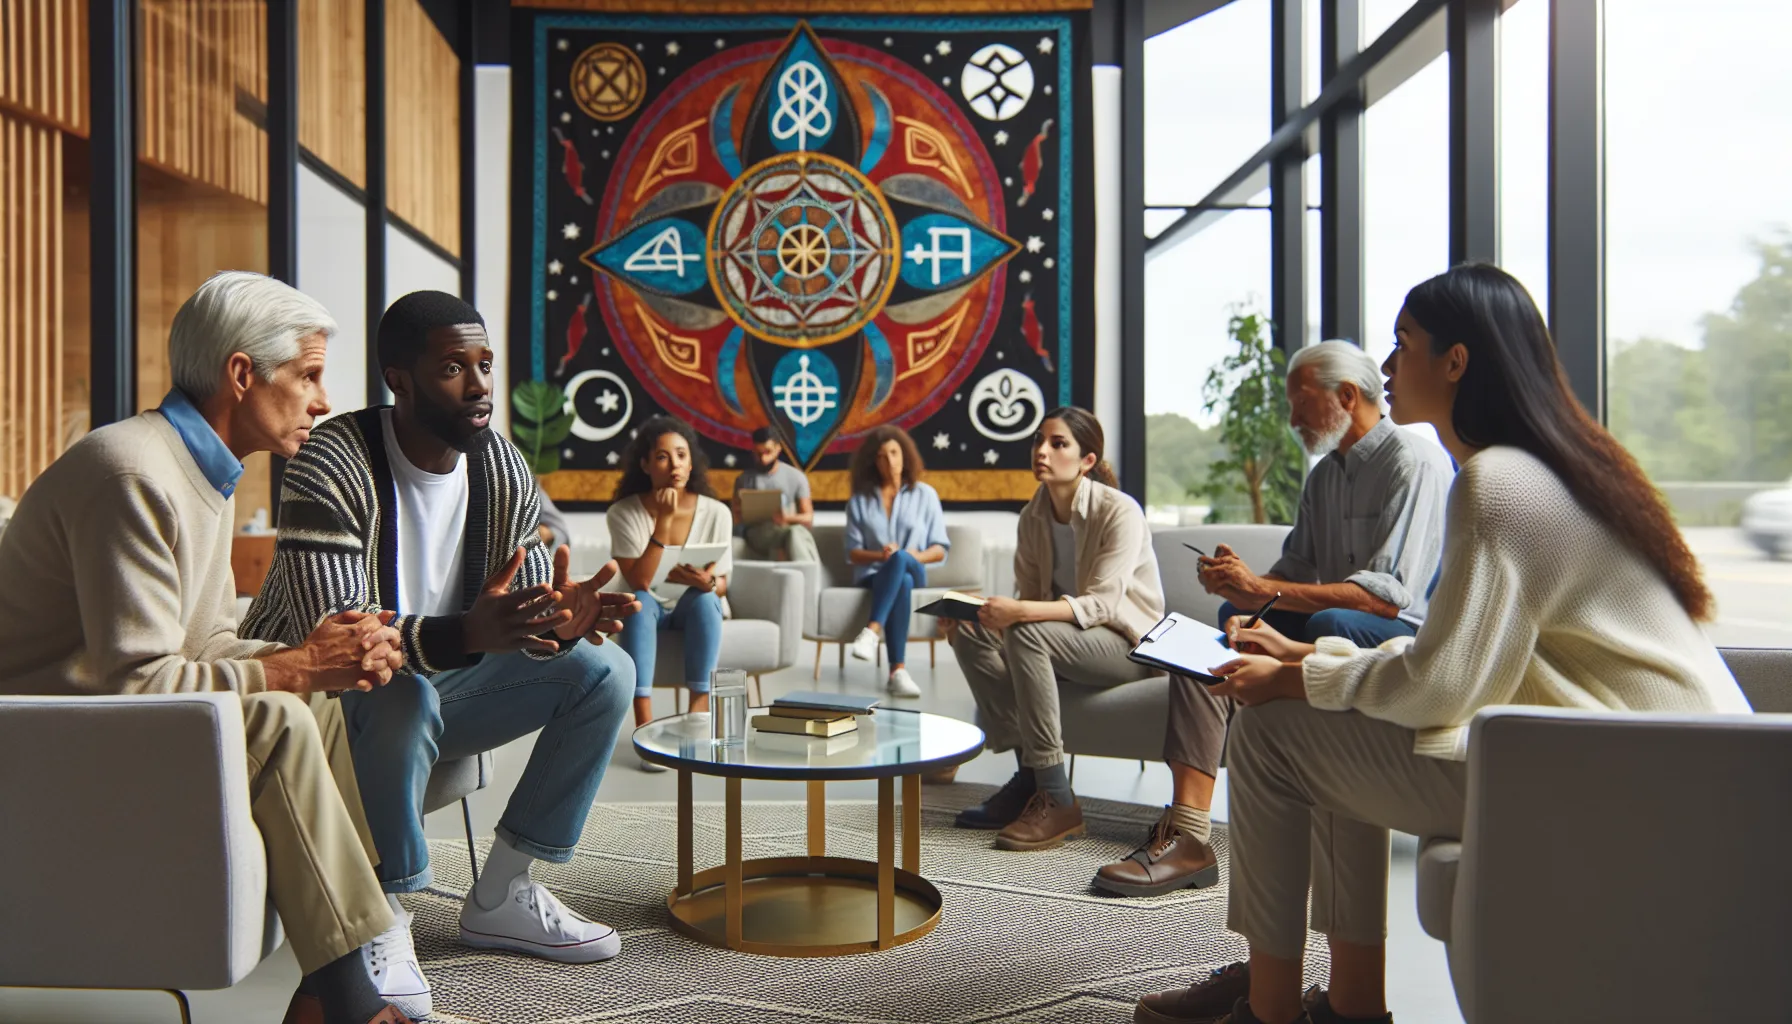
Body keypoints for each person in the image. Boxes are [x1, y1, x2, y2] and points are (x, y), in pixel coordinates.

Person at [1133, 264, 1752, 1024]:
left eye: (1403, 345)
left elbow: (1444, 685)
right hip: (1665, 771)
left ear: (1455, 362)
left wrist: (1298, 680)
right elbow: (1470, 665)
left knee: (1269, 735)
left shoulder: (1497, 484)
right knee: (1323, 717)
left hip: (1616, 783)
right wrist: (1308, 660)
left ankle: (1272, 1011)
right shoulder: (1550, 470)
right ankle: (1350, 1004)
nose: (1389, 367)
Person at [0, 271, 419, 1024]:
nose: (323, 401)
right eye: (310, 376)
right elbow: (132, 681)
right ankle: (354, 1003)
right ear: (241, 373)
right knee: (281, 716)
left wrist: (322, 654)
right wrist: (293, 667)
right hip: (39, 735)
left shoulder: (201, 474)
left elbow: (206, 640)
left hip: (88, 718)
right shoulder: (132, 472)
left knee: (313, 700)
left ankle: (330, 985)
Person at [242, 291, 639, 1019]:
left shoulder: (504, 471)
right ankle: (384, 913)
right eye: (453, 367)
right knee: (402, 692)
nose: (480, 384)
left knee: (607, 672)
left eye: (485, 364)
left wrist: (561, 625)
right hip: (316, 700)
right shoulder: (331, 462)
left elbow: (513, 621)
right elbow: (342, 642)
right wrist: (468, 635)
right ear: (399, 377)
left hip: (435, 681)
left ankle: (503, 893)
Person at [1104, 342, 1455, 900]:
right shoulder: (1323, 479)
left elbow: (1388, 599)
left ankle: (1296, 777)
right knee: (1224, 631)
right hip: (1338, 626)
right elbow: (1293, 571)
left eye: (1301, 403)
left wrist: (1261, 588)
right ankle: (1191, 833)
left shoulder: (1412, 463)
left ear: (1345, 396)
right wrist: (1238, 587)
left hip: (1401, 641)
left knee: (1331, 621)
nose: (1292, 420)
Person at [946, 408, 1168, 853]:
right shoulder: (1033, 516)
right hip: (1066, 642)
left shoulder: (1119, 511)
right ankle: (1029, 776)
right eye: (1037, 442)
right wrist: (989, 614)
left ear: (1087, 460)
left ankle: (1057, 797)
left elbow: (1104, 605)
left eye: (1058, 443)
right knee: (968, 628)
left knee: (1026, 631)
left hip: (1126, 646)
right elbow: (1030, 594)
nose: (1042, 451)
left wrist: (1019, 614)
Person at [609, 415, 733, 762]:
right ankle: (645, 725)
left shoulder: (717, 513)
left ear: (691, 462)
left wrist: (707, 582)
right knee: (639, 600)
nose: (674, 464)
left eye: (681, 455)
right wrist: (663, 520)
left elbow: (723, 581)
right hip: (648, 605)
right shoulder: (623, 513)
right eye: (662, 456)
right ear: (646, 464)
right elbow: (640, 581)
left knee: (706, 598)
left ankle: (697, 713)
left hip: (691, 605)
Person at [843, 425, 949, 699]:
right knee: (900, 578)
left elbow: (939, 550)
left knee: (903, 561)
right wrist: (881, 556)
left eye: (894, 453)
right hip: (875, 574)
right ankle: (897, 673)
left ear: (905, 456)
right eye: (881, 455)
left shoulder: (925, 494)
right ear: (873, 462)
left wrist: (911, 555)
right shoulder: (859, 501)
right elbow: (853, 552)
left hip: (915, 566)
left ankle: (871, 631)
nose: (889, 461)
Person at [732, 425, 819, 562]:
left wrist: (787, 518)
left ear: (778, 449)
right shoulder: (744, 480)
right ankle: (807, 573)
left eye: (768, 452)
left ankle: (804, 573)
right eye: (758, 453)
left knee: (796, 533)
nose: (763, 458)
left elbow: (808, 518)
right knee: (796, 534)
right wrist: (742, 511)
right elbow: (735, 519)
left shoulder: (796, 477)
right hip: (757, 533)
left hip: (787, 529)